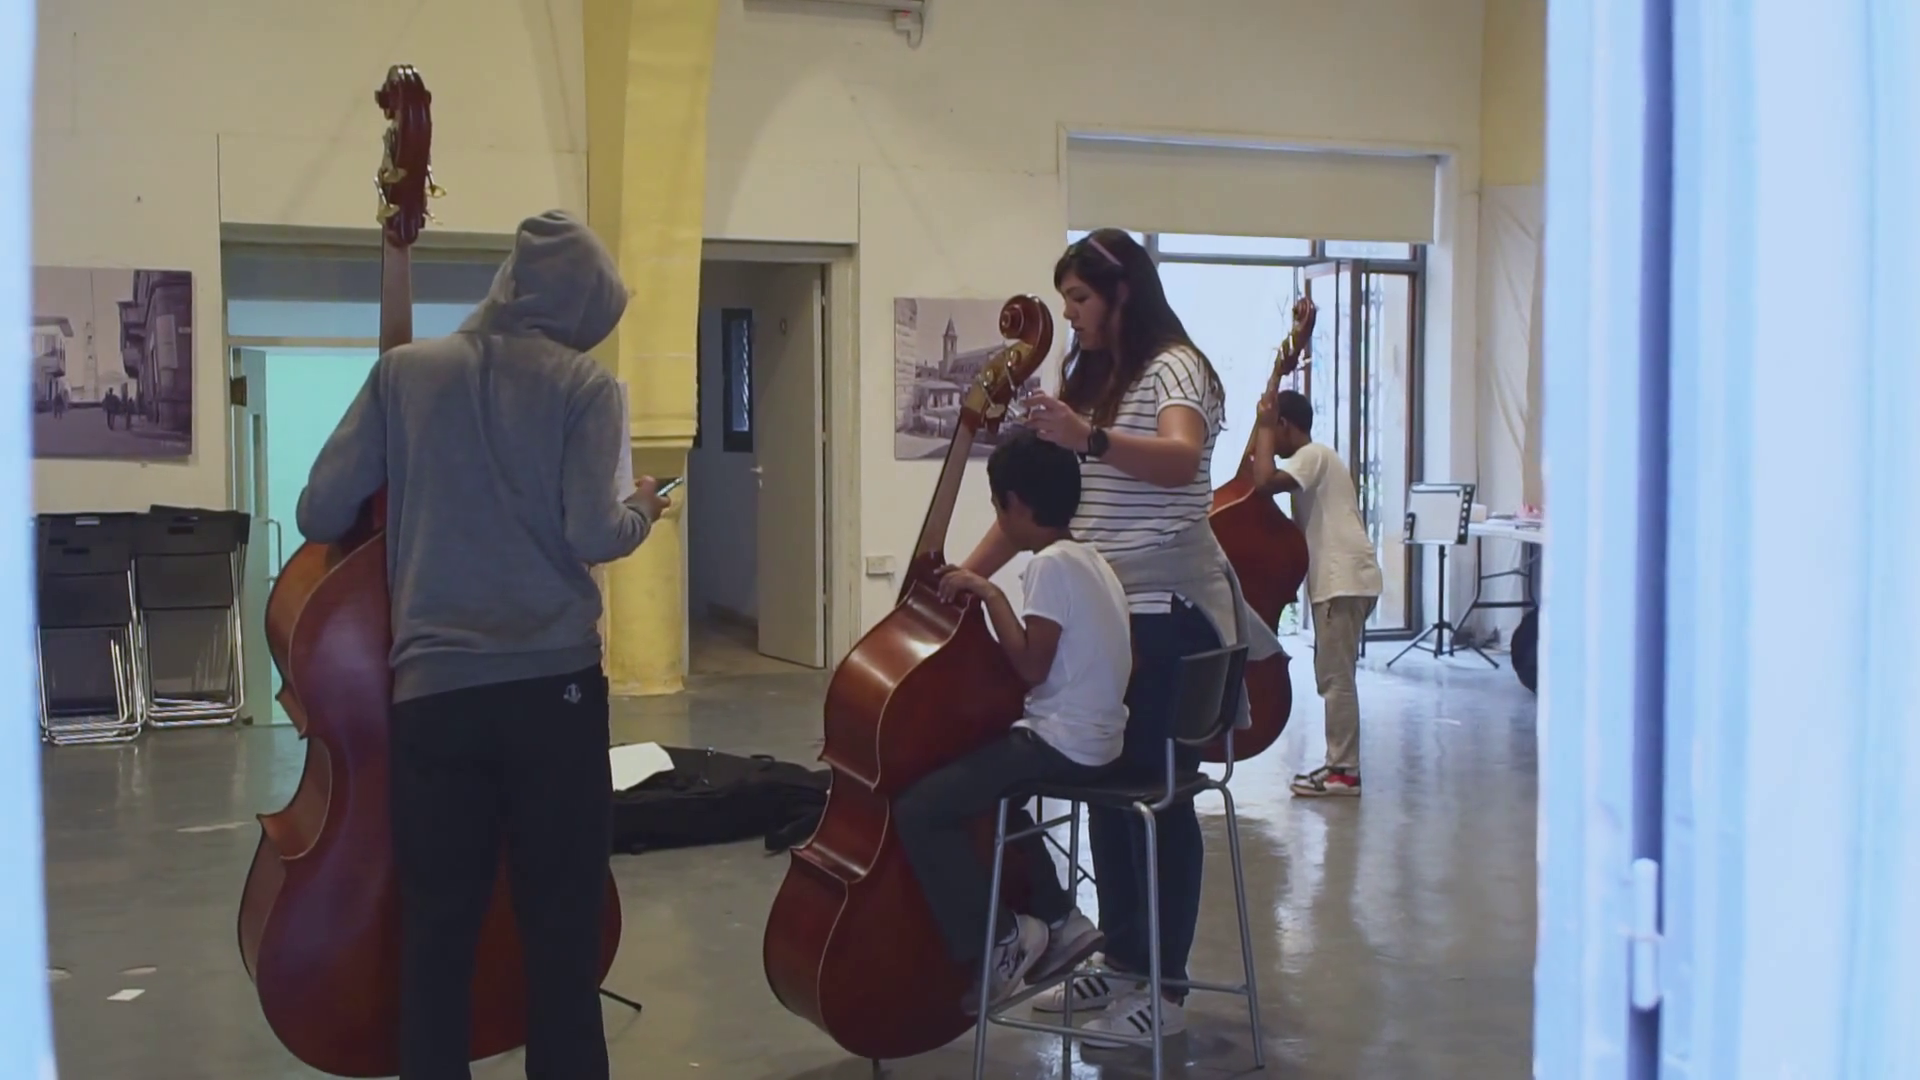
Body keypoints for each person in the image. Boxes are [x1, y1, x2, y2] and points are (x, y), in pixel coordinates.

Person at [295, 209, 668, 1080]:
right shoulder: (585, 387)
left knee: (436, 929)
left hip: (435, 695)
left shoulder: (405, 374)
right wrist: (645, 508)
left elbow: (319, 510)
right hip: (554, 691)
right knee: (561, 929)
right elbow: (594, 532)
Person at [959, 228, 1279, 1045]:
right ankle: (1125, 959)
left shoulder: (1176, 367)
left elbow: (1181, 458)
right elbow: (1037, 506)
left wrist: (1090, 437)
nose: (1069, 314)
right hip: (1107, 615)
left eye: (1079, 298)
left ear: (1122, 293)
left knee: (1157, 796)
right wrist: (961, 576)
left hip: (1171, 614)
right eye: (1065, 299)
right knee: (1105, 779)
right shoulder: (1090, 378)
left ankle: (1164, 989)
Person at [893, 429, 1129, 1012]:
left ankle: (1000, 940)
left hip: (1063, 745)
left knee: (921, 808)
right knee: (997, 796)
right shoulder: (1091, 560)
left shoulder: (1049, 566)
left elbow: (1030, 666)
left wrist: (991, 596)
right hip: (1103, 742)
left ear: (1017, 505)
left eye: (998, 507)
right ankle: (1062, 920)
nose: (999, 520)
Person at [1251, 389, 1383, 797]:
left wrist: (1262, 426)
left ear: (1284, 425)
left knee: (1335, 679)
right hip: (1346, 578)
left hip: (1342, 580)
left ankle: (1344, 772)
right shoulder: (1318, 460)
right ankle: (1340, 765)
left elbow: (1263, 481)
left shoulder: (1313, 454)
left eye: (1274, 428)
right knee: (1334, 676)